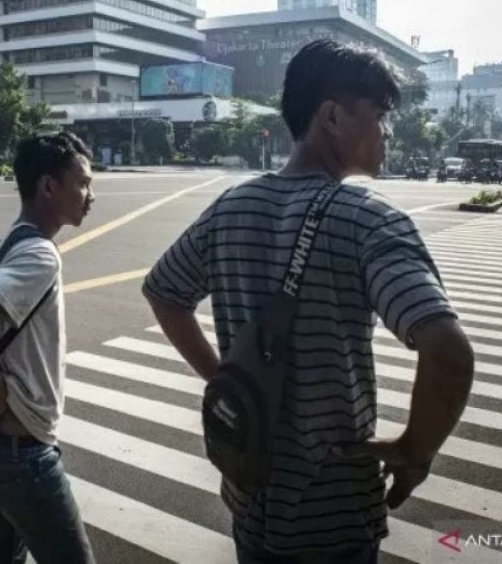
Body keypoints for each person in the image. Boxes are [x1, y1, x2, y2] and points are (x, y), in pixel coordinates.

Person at [142, 40, 474, 563]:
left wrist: (225, 378)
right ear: (332, 117)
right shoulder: (369, 219)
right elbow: (449, 353)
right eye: (381, 115)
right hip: (333, 510)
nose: (387, 131)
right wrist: (416, 450)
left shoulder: (231, 206)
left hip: (249, 486)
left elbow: (163, 292)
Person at [0, 132, 97, 564]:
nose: (91, 195)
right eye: (84, 183)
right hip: (21, 455)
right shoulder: (40, 254)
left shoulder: (12, 240)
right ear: (49, 186)